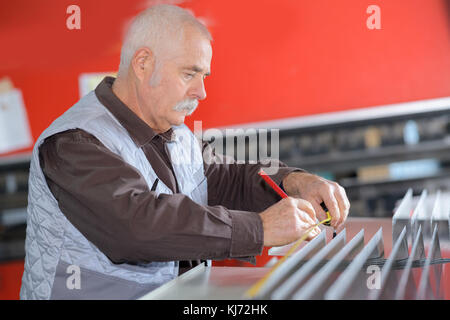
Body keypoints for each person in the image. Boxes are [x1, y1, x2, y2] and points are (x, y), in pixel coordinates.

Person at [20, 4, 349, 300]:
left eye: (203, 76)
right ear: (143, 63)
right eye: (189, 73)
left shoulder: (174, 131)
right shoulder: (74, 143)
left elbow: (224, 178)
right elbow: (136, 226)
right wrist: (259, 229)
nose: (202, 91)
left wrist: (295, 181)